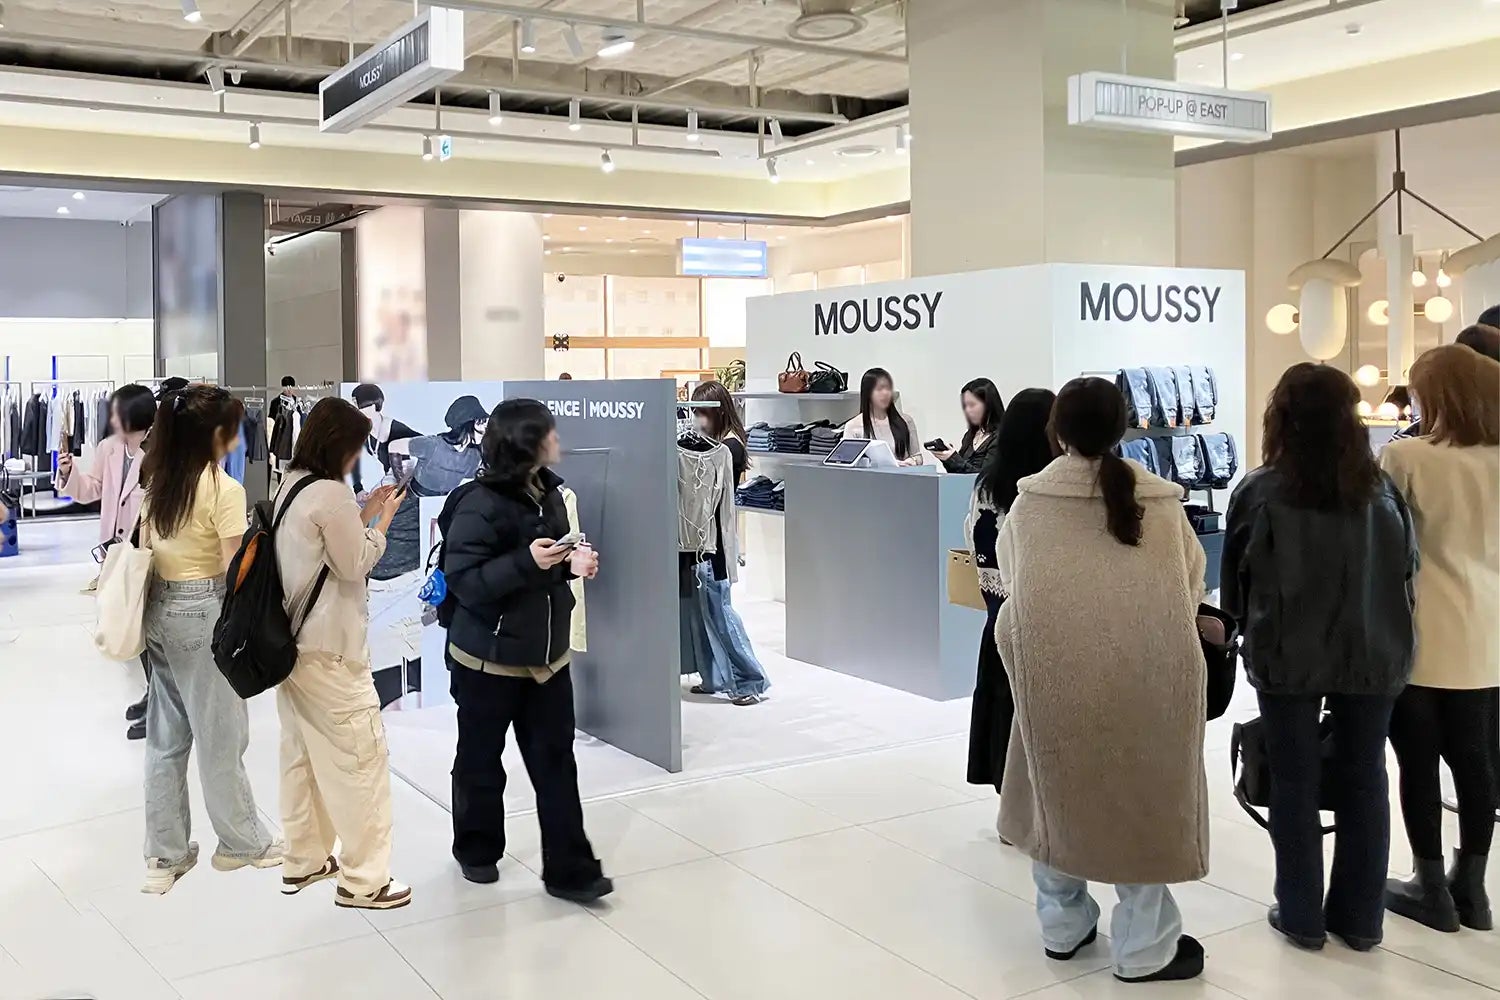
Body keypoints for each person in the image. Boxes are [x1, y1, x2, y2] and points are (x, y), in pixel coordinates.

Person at [995, 377, 1207, 984]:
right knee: (1141, 805)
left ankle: (1062, 928)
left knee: (1055, 799)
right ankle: (1144, 948)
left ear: (1057, 430)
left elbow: (1013, 587)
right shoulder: (1160, 503)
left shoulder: (1032, 505)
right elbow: (1191, 586)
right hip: (1148, 679)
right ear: (1122, 428)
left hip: (1056, 679)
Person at [1222, 363, 1417, 952]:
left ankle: (1301, 913)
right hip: (1375, 650)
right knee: (1365, 777)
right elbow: (1407, 568)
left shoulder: (1261, 490)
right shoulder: (1380, 491)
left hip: (1286, 652)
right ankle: (1360, 918)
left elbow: (1235, 584)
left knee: (1293, 779)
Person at [437, 399, 611, 902]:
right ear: (524, 442)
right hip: (486, 662)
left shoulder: (551, 494)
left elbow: (542, 568)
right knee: (480, 762)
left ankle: (571, 870)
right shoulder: (477, 503)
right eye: (547, 433)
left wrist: (568, 566)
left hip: (548, 660)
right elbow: (466, 581)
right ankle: (476, 850)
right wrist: (527, 563)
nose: (556, 440)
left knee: (556, 765)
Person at [137, 384, 283, 894]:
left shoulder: (159, 478)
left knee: (166, 739)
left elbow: (147, 545)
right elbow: (231, 568)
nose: (238, 437)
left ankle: (164, 856)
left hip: (159, 609)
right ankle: (241, 842)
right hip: (202, 611)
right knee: (221, 735)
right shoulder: (223, 488)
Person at [273, 398, 411, 909]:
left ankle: (304, 858)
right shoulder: (331, 493)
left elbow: (323, 548)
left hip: (294, 646)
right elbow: (355, 563)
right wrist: (383, 520)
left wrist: (364, 510)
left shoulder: (293, 484)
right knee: (360, 761)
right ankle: (365, 880)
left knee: (302, 757)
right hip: (333, 652)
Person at [1380, 344, 1498, 933]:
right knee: (1476, 758)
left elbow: (1382, 542)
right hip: (1486, 628)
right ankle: (1472, 887)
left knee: (1418, 761)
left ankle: (1430, 886)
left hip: (1421, 625)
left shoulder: (1405, 457)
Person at [965, 388, 1054, 803]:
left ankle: (1010, 801)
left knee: (1003, 704)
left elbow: (977, 543)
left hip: (998, 617)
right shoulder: (1046, 490)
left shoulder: (988, 485)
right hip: (1044, 623)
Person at [58, 383, 156, 739]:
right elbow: (93, 489)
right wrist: (69, 473)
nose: (111, 418)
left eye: (117, 411)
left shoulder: (159, 449)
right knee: (131, 625)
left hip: (146, 553)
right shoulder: (109, 448)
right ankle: (153, 695)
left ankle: (159, 701)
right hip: (115, 554)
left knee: (151, 630)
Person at [687, 380, 771, 705]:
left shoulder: (729, 448)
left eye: (702, 412)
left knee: (720, 611)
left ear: (717, 412)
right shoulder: (716, 443)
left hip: (716, 542)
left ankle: (750, 680)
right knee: (705, 612)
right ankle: (714, 677)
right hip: (702, 537)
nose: (697, 419)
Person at [349, 383, 421, 496]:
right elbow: (353, 460)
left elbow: (430, 447)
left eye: (358, 406)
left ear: (372, 407)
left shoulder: (397, 429)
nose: (355, 411)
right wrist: (358, 490)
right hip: (390, 484)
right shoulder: (362, 432)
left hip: (408, 486)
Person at [842, 367, 923, 465]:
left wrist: (912, 461)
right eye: (879, 389)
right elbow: (848, 463)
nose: (885, 393)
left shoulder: (906, 421)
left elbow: (917, 456)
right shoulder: (853, 426)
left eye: (888, 388)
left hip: (904, 473)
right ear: (868, 393)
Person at [934, 378, 1005, 473]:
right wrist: (948, 459)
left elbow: (985, 476)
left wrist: (954, 458)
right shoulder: (970, 435)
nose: (967, 410)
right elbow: (959, 471)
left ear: (988, 405)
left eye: (972, 405)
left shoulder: (1001, 436)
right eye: (965, 406)